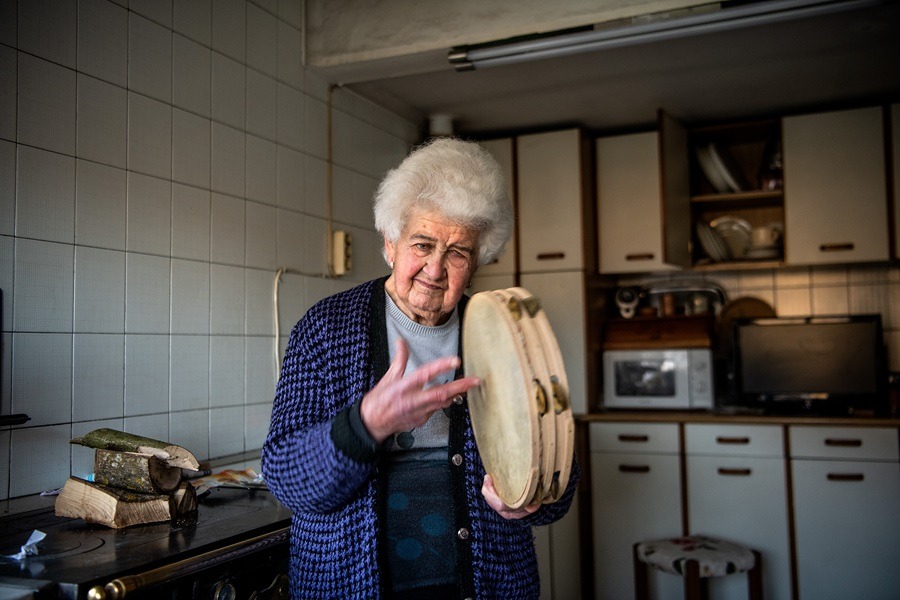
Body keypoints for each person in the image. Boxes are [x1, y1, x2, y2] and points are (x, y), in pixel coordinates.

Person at [261, 137, 579, 599]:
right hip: (349, 585)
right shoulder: (326, 329)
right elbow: (284, 476)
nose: (435, 268)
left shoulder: (509, 336)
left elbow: (562, 475)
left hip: (487, 585)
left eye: (458, 252)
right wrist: (367, 424)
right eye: (422, 243)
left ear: (476, 262)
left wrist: (529, 504)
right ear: (390, 244)